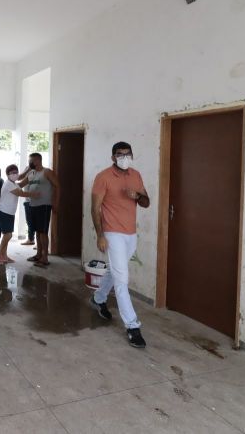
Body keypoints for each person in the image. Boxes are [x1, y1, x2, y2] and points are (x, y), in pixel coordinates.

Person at [90, 141, 150, 349]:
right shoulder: (103, 177)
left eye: (127, 154)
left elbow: (146, 202)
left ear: (132, 155)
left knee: (116, 272)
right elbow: (95, 208)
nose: (124, 157)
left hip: (130, 234)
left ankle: (98, 298)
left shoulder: (136, 175)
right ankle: (133, 327)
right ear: (113, 157)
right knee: (122, 279)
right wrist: (100, 235)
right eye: (119, 154)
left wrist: (138, 196)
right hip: (112, 233)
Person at [18, 153, 59, 268]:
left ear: (37, 160)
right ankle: (38, 254)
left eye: (30, 161)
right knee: (37, 231)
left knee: (43, 232)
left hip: (44, 206)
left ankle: (45, 257)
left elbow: (57, 186)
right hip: (32, 205)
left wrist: (56, 203)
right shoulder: (30, 173)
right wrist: (8, 184)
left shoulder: (47, 172)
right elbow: (20, 184)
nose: (29, 163)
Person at [0, 164, 40, 264]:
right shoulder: (8, 183)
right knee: (8, 235)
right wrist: (34, 194)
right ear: (7, 174)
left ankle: (4, 256)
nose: (15, 174)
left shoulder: (13, 183)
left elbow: (20, 184)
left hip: (10, 212)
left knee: (7, 235)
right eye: (12, 173)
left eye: (16, 172)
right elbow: (21, 193)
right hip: (4, 212)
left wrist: (28, 178)